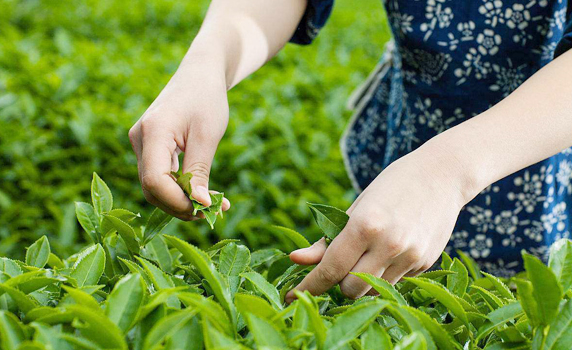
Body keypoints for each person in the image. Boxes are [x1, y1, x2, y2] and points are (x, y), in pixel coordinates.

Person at [128, 0, 572, 303]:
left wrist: (449, 170)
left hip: (546, 140)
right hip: (413, 134)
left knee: (523, 304)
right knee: (390, 277)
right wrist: (210, 60)